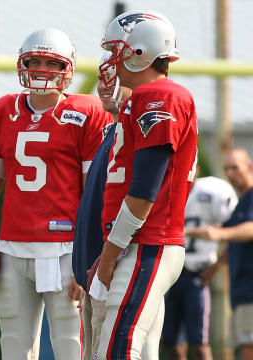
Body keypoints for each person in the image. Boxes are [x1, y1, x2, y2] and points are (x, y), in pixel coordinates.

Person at [0, 28, 113, 360]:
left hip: (65, 251)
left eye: (51, 62)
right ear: (22, 63)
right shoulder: (1, 112)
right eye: (34, 61)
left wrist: (87, 257)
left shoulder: (86, 113)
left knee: (70, 345)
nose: (41, 69)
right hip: (11, 251)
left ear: (67, 69)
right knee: (14, 347)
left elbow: (94, 194)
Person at [94, 10, 198, 359]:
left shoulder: (161, 97)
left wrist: (109, 254)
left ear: (139, 52)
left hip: (147, 241)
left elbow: (144, 191)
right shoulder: (139, 101)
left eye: (116, 50)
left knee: (118, 346)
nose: (110, 59)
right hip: (135, 242)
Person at [72, 51, 132, 360]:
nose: (105, 86)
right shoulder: (109, 133)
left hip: (113, 272)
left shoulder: (134, 134)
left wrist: (106, 262)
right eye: (100, 79)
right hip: (94, 274)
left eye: (114, 78)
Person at [161, 171, 237, 360]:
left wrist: (217, 265)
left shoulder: (213, 190)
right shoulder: (166, 189)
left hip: (196, 274)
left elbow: (235, 231)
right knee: (172, 344)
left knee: (200, 343)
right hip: (170, 275)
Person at [186, 148, 253, 360]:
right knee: (244, 348)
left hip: (251, 291)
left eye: (235, 167)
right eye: (227, 169)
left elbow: (249, 229)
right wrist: (216, 265)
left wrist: (219, 233)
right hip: (241, 290)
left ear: (249, 167)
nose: (231, 173)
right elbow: (225, 237)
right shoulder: (241, 203)